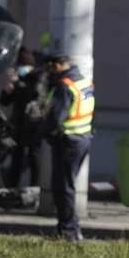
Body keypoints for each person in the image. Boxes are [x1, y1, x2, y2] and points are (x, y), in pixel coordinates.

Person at [40, 51, 95, 242]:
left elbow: (56, 118)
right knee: (67, 186)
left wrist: (40, 131)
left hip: (67, 142)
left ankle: (69, 231)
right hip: (81, 139)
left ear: (56, 67)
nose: (47, 75)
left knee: (63, 188)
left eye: (48, 70)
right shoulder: (83, 82)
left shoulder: (65, 86)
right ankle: (69, 228)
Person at [0, 47, 46, 193]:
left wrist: (18, 84)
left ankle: (34, 190)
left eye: (23, 66)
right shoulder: (20, 79)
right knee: (16, 159)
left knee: (34, 158)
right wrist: (8, 91)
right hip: (18, 125)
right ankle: (12, 189)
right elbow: (5, 101)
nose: (20, 69)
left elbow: (35, 95)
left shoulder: (39, 77)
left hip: (33, 124)